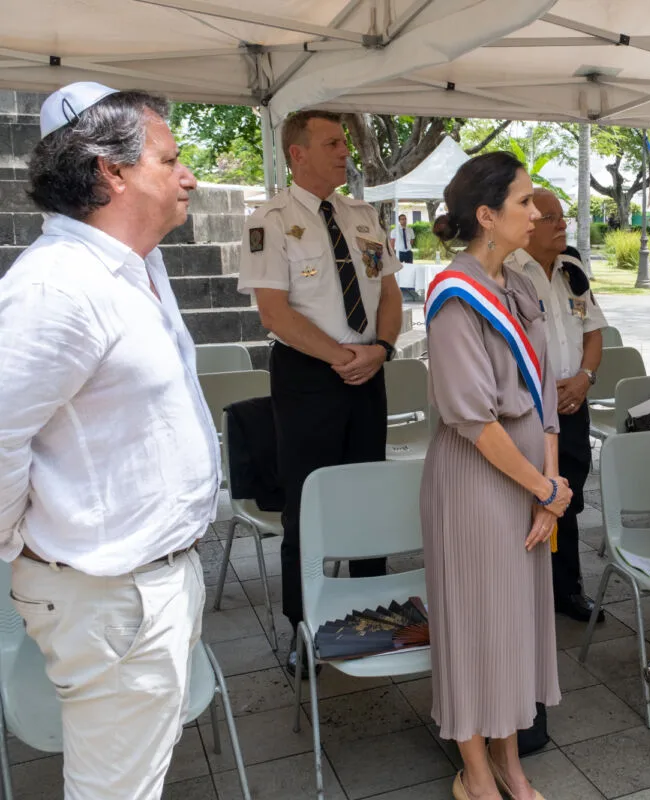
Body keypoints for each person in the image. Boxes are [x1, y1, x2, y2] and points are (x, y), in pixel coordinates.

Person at [0, 83, 217, 798]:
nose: (188, 176)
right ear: (111, 172)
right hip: (107, 592)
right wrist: (29, 545)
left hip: (145, 583)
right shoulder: (58, 288)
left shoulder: (133, 265)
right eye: (170, 160)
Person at [420, 152, 566, 800]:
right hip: (478, 485)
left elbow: (546, 391)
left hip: (530, 483)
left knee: (512, 627)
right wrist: (544, 488)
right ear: (486, 215)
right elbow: (472, 420)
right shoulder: (455, 295)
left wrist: (551, 488)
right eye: (524, 202)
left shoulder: (520, 285)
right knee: (478, 626)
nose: (536, 214)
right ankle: (476, 773)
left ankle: (511, 766)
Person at [238, 110, 404, 676]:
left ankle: (374, 614)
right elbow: (274, 313)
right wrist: (341, 357)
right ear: (297, 154)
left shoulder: (362, 215)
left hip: (368, 369)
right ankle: (304, 625)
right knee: (306, 503)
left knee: (368, 494)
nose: (344, 152)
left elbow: (388, 293)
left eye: (344, 143)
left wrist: (381, 348)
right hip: (309, 375)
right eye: (332, 143)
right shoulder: (270, 220)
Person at [506, 188, 608, 623]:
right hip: (528, 409)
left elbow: (593, 332)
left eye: (563, 216)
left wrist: (585, 378)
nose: (563, 224)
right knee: (525, 499)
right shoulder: (508, 272)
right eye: (551, 218)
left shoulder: (572, 269)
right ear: (529, 224)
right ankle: (523, 597)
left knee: (568, 498)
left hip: (572, 404)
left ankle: (567, 590)